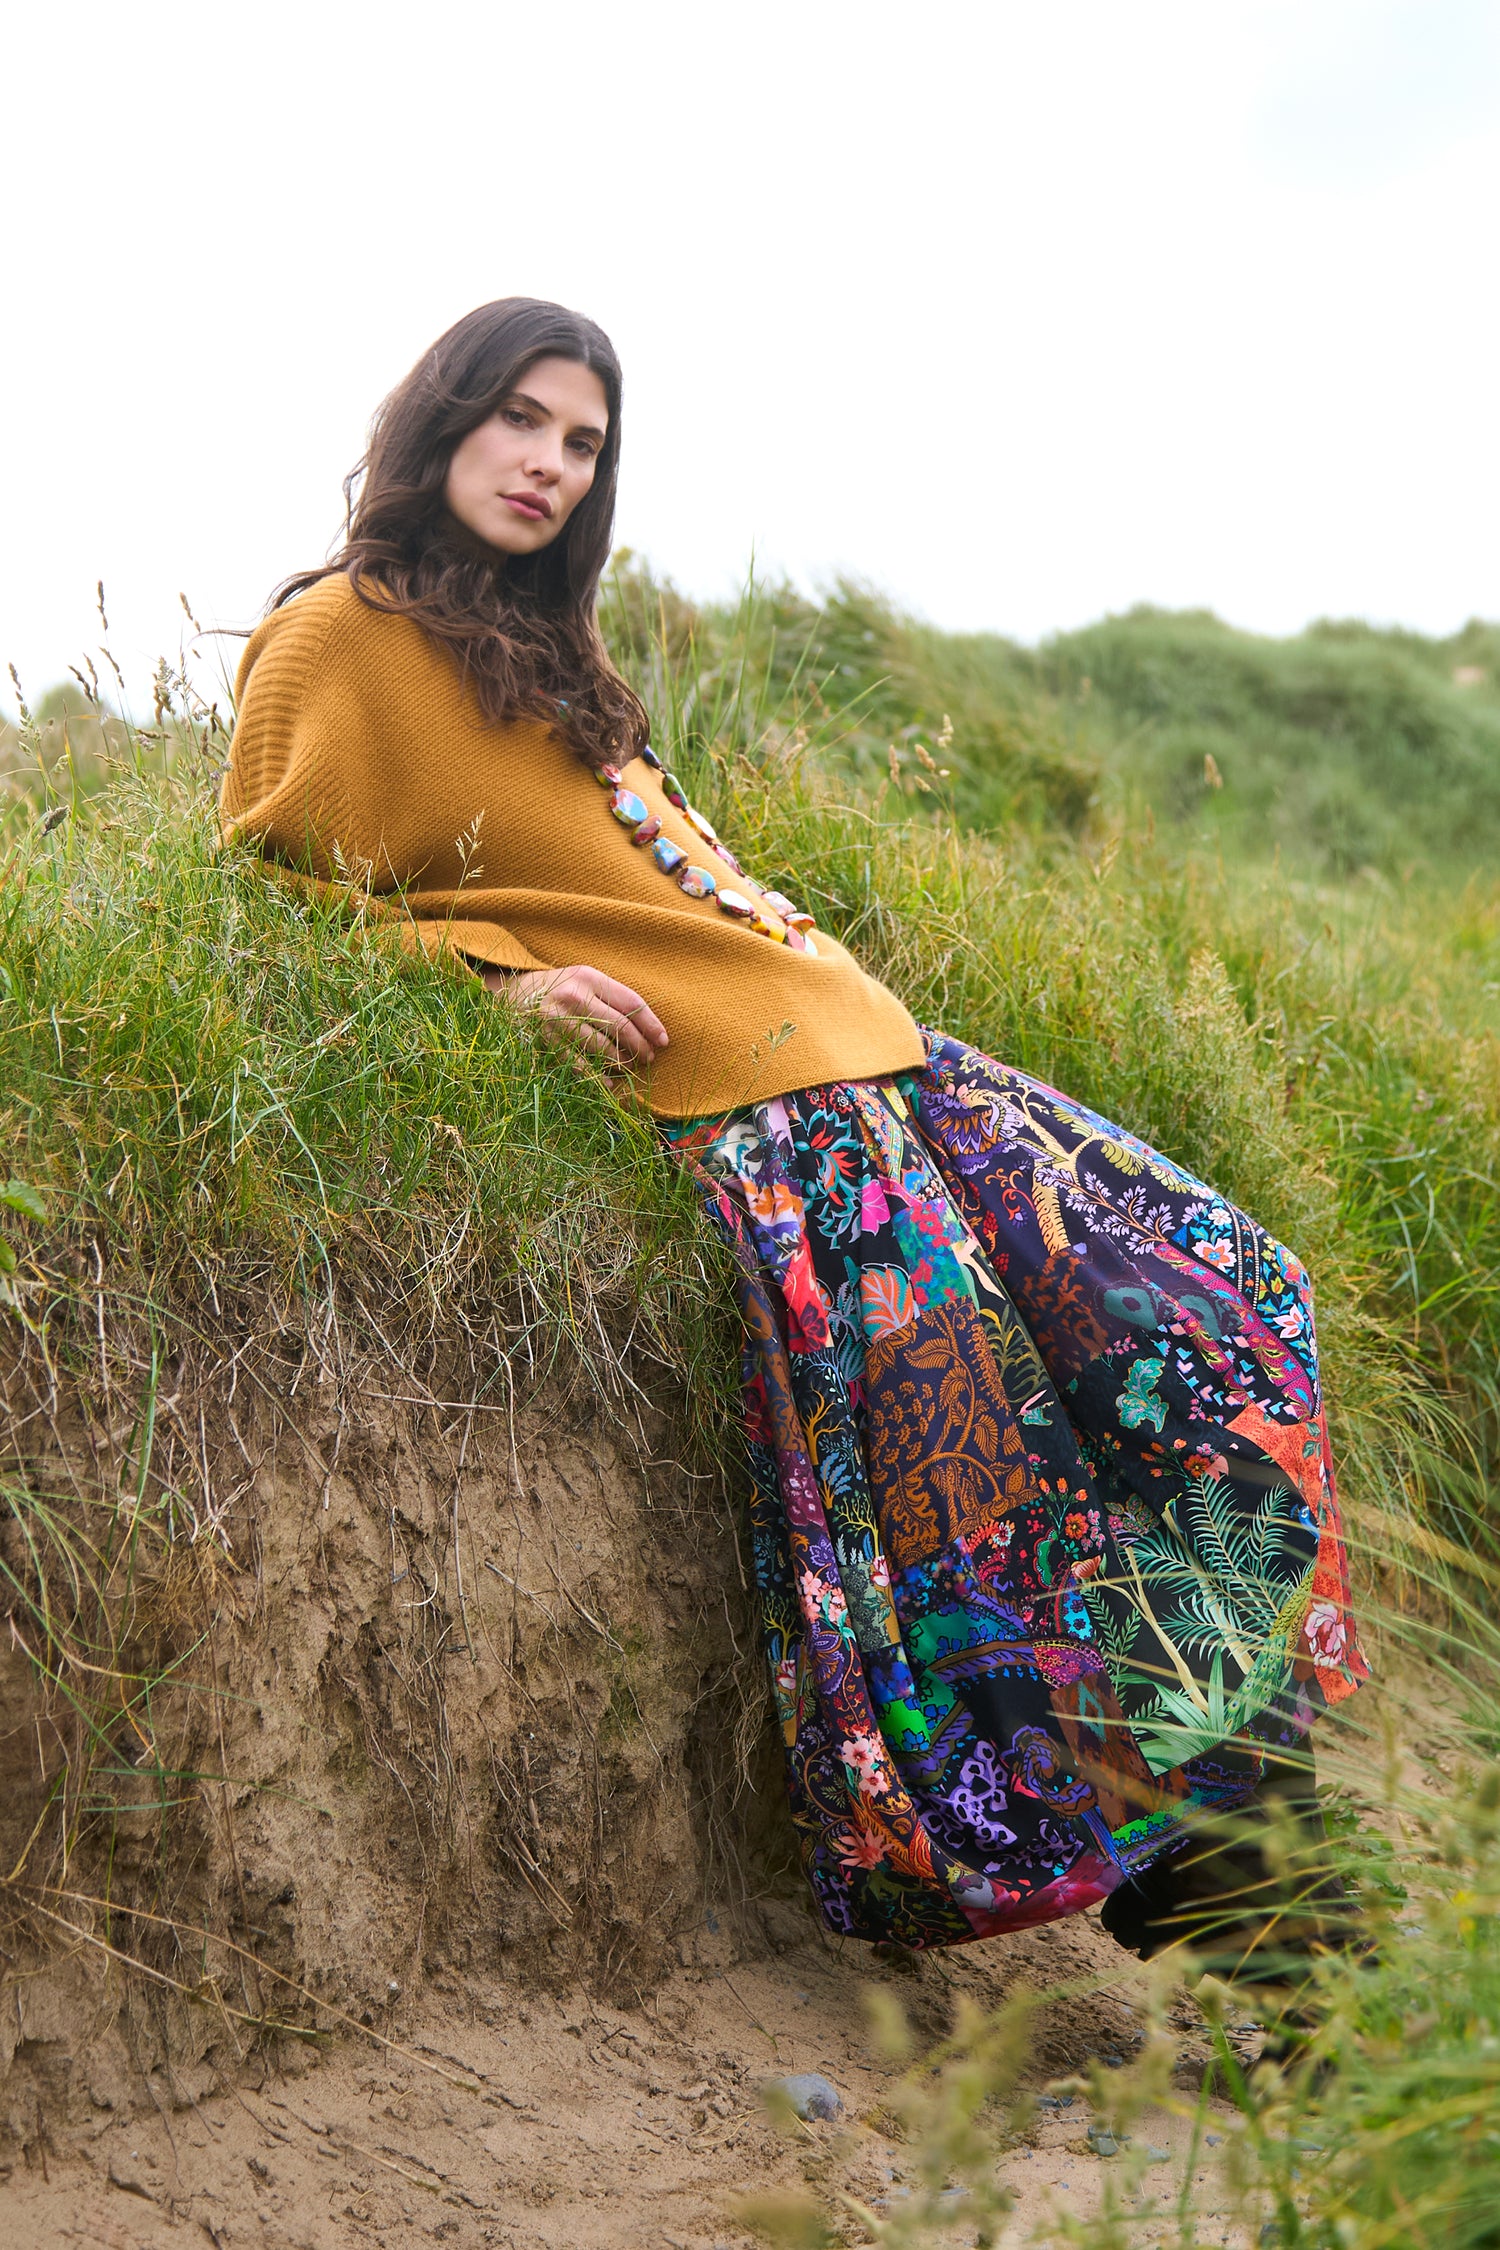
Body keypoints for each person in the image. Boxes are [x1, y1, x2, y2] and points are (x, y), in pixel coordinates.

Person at [222, 297, 1367, 1976]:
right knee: (1017, 1506)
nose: (549, 463)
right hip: (775, 1128)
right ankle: (1266, 1911)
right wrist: (490, 988)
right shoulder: (340, 634)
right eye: (520, 420)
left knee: (1229, 1314)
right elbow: (266, 896)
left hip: (891, 1071)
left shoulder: (545, 647)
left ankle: (1236, 1839)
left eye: (584, 442)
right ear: (440, 422)